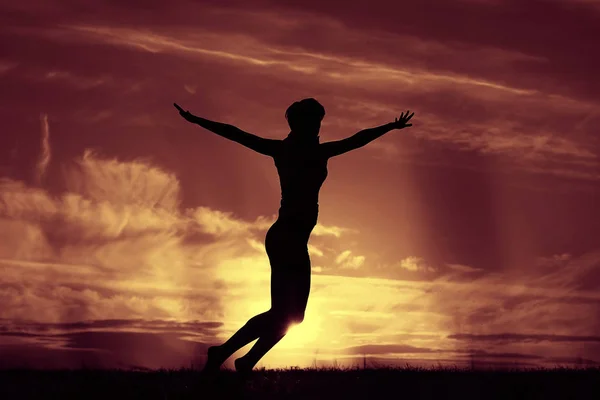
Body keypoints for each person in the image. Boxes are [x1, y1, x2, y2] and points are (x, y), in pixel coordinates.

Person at [174, 99, 414, 374]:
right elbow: (235, 133)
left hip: (292, 240)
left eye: (319, 122)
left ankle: (243, 360)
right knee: (285, 314)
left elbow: (356, 140)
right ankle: (224, 353)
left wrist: (390, 126)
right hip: (286, 238)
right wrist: (197, 120)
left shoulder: (308, 151)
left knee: (292, 316)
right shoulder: (295, 151)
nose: (318, 128)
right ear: (301, 125)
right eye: (314, 122)